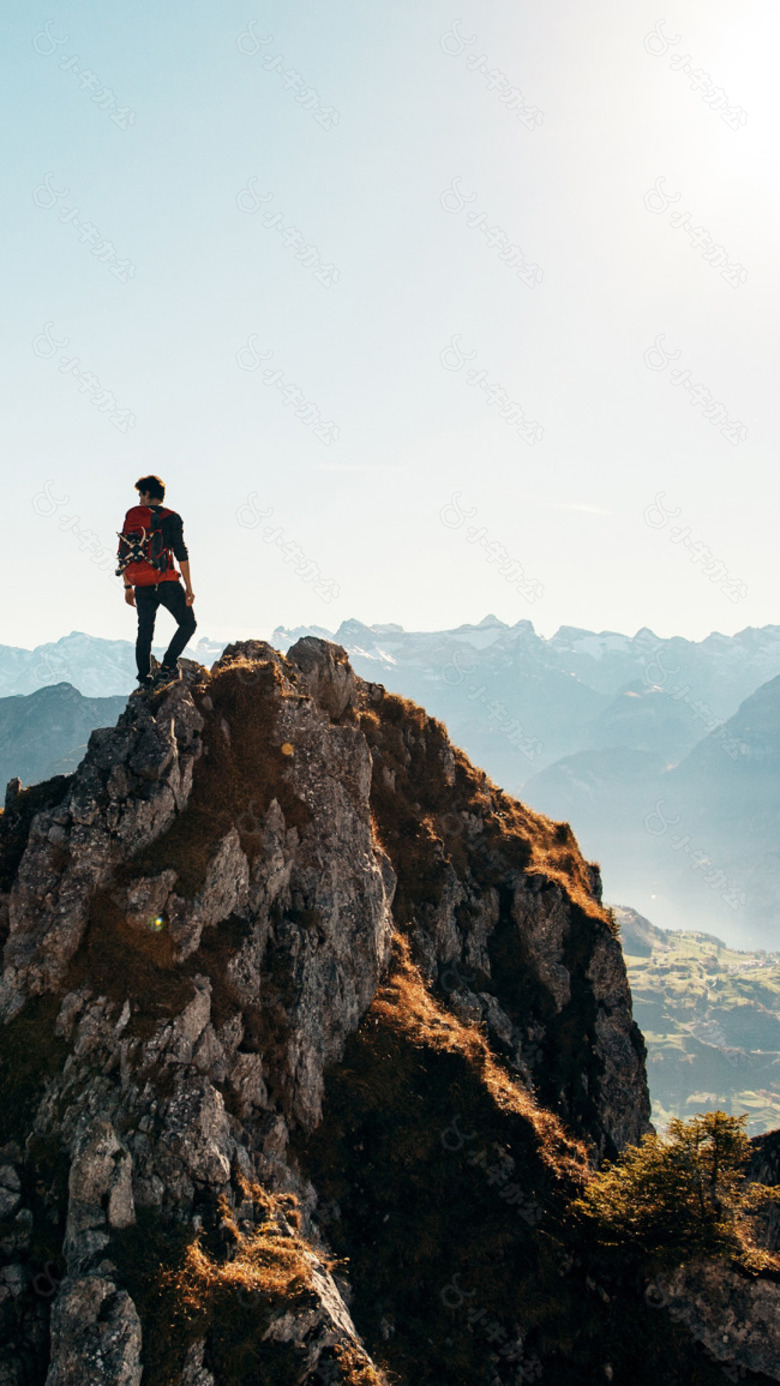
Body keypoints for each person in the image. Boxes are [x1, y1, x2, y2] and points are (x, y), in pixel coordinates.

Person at [118, 475, 196, 691]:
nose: (139, 499)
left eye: (141, 494)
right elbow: (181, 553)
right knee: (188, 623)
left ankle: (144, 678)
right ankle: (168, 666)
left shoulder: (133, 519)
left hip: (141, 584)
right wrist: (189, 587)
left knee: (145, 630)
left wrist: (128, 587)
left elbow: (125, 552)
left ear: (148, 494)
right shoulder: (172, 518)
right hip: (166, 582)